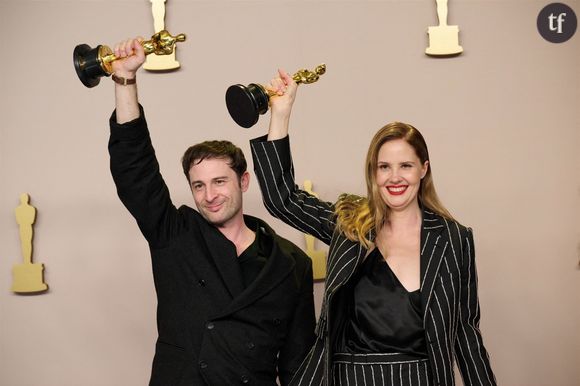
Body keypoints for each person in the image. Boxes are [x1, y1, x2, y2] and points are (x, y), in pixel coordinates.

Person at [249, 70, 496, 386]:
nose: (395, 177)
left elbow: (465, 333)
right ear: (373, 172)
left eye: (405, 165)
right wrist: (280, 115)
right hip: (351, 378)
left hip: (421, 379)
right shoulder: (349, 223)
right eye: (384, 167)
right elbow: (282, 199)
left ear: (423, 169)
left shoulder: (454, 239)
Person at [107, 39, 316, 386]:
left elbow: (298, 363)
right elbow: (135, 172)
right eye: (199, 185)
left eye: (219, 181)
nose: (209, 196)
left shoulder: (291, 263)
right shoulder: (175, 235)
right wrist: (125, 80)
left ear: (244, 181)